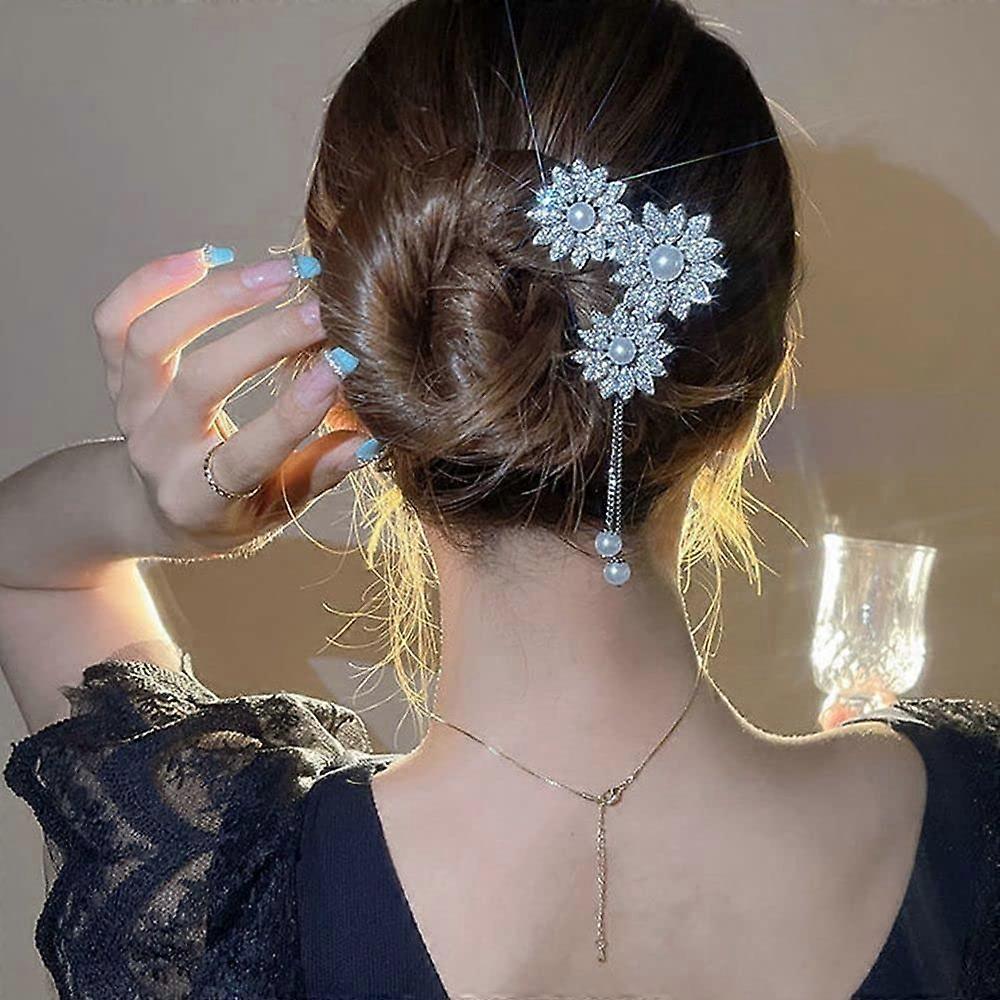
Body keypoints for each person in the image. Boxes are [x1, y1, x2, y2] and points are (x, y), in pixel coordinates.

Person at [2, 1, 999, 998]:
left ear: (364, 349)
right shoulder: (976, 824)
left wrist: (158, 508)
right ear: (756, 374)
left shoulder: (211, 890)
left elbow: (27, 571)